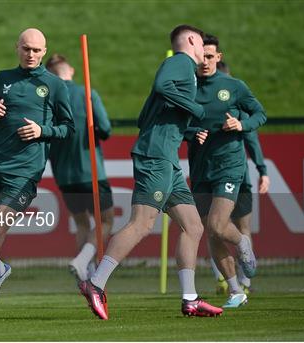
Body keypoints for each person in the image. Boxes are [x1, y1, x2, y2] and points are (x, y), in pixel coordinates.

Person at [77, 24, 223, 320]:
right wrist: (195, 110)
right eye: (202, 45)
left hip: (167, 159)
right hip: (156, 157)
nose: (204, 55)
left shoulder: (182, 70)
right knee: (142, 224)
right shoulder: (180, 62)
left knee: (193, 226)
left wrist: (187, 131)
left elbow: (146, 116)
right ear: (192, 40)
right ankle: (95, 283)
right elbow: (161, 87)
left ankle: (190, 299)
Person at [0, 28, 75, 320]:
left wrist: (42, 130)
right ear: (17, 48)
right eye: (26, 49)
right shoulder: (2, 78)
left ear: (44, 51)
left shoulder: (55, 85)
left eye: (36, 50)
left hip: (24, 173)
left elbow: (69, 128)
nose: (31, 54)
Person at [186, 34, 267, 309]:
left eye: (211, 56)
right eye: (202, 56)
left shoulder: (233, 86)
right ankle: (235, 290)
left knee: (217, 225)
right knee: (211, 233)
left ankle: (243, 242)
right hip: (199, 169)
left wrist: (241, 125)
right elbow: (172, 126)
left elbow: (260, 114)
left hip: (228, 166)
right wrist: (191, 133)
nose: (206, 61)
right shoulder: (186, 88)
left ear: (218, 58)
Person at [45, 54, 114, 283]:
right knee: (105, 222)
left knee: (82, 223)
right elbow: (105, 128)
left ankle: (86, 274)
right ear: (71, 70)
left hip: (64, 174)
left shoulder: (48, 100)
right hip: (91, 170)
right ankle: (83, 261)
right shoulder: (86, 94)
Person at [210, 60, 270, 296]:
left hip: (235, 177)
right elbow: (253, 141)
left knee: (219, 228)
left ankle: (231, 279)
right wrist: (262, 170)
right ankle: (240, 282)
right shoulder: (228, 101)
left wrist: (262, 170)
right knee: (228, 228)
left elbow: (251, 137)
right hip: (228, 176)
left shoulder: (237, 106)